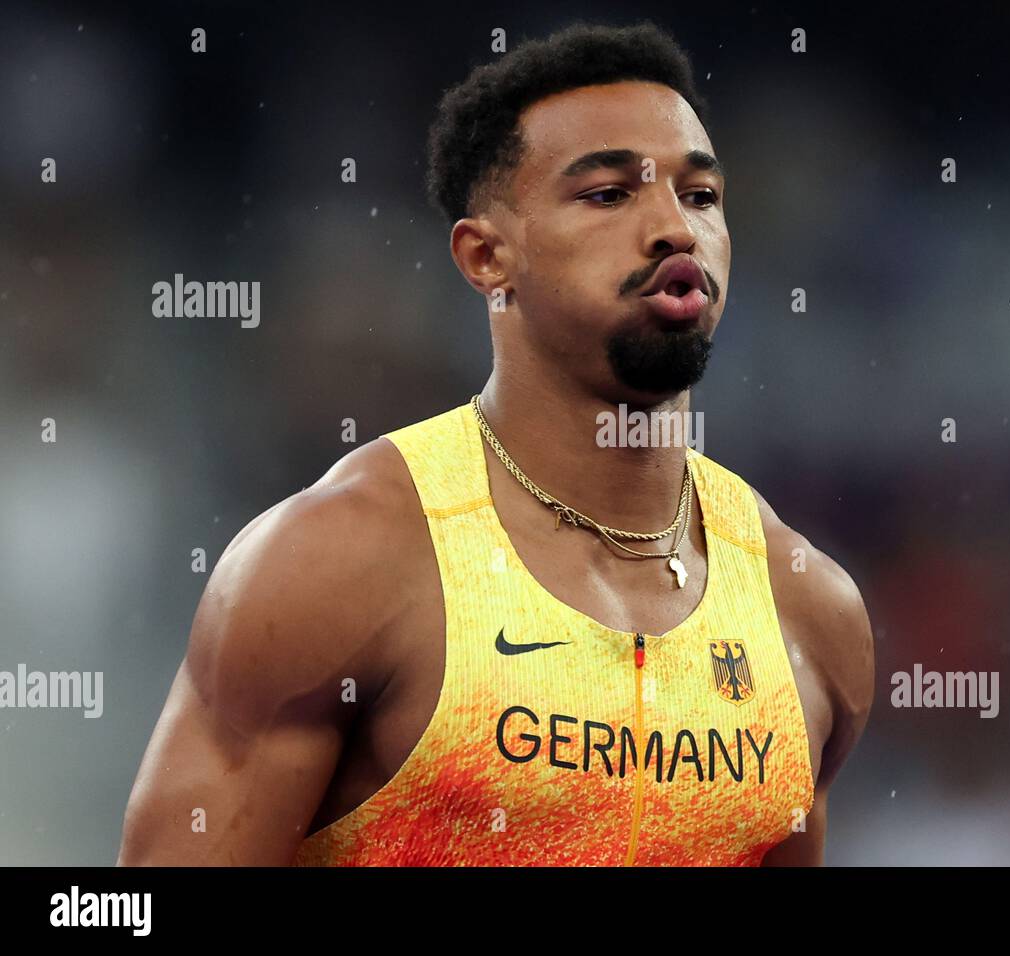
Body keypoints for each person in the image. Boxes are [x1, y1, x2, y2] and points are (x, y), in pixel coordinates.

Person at [118, 21, 874, 867]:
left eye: (699, 196)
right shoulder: (338, 562)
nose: (674, 228)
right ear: (486, 257)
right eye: (609, 194)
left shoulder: (807, 611)